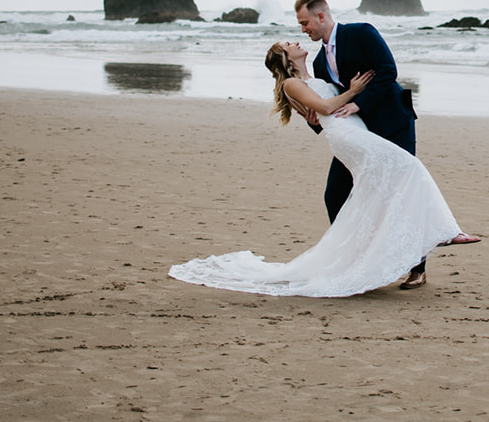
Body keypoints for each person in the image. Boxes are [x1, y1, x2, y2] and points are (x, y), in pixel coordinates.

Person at [167, 41, 471, 297]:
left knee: (384, 186)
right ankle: (443, 233)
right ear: (285, 59)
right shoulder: (291, 83)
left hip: (357, 131)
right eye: (289, 45)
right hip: (348, 136)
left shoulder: (316, 75)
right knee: (409, 168)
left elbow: (320, 108)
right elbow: (325, 110)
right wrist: (354, 91)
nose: (297, 42)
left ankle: (401, 247)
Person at [293, 0, 478, 288]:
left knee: (400, 192)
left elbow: (389, 71)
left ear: (321, 16)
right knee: (335, 193)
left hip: (393, 124)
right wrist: (315, 119)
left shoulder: (361, 32)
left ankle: (418, 268)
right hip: (358, 136)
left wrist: (360, 103)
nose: (303, 29)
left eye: (305, 23)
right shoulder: (318, 62)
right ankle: (353, 259)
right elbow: (331, 103)